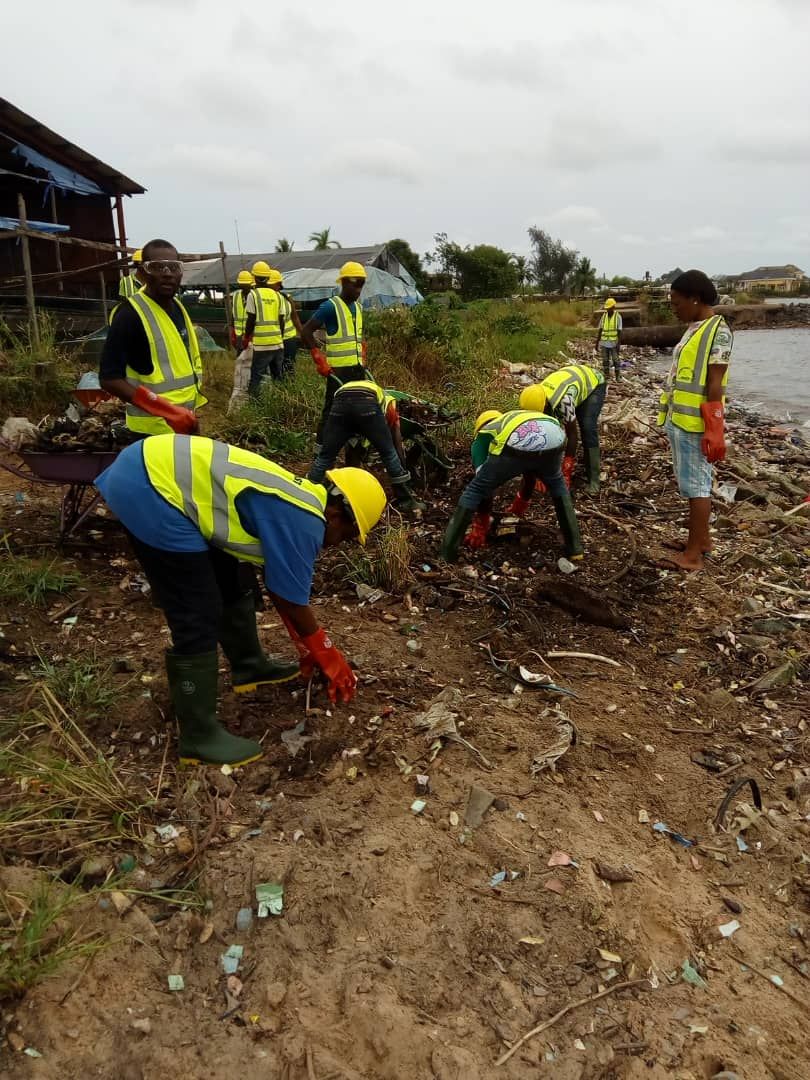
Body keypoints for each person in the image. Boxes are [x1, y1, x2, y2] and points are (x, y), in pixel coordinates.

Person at [95, 435, 387, 766]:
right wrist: (327, 652)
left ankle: (249, 667)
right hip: (151, 488)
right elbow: (292, 601)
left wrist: (306, 648)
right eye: (347, 536)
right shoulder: (305, 523)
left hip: (151, 468)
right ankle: (198, 737)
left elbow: (281, 588)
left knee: (230, 577)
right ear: (336, 514)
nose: (338, 545)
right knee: (196, 609)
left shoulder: (302, 500)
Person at [657, 269, 731, 571]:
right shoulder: (696, 327)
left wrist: (714, 429)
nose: (674, 308)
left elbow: (716, 382)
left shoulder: (719, 332)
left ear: (695, 298)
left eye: (677, 302)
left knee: (697, 486)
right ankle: (700, 541)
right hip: (681, 419)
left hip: (695, 424)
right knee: (690, 484)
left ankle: (693, 556)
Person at [439, 409, 583, 562]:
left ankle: (447, 553)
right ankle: (575, 548)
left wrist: (482, 521)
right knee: (557, 484)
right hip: (555, 436)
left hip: (519, 442)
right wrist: (520, 505)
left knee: (474, 489)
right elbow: (529, 471)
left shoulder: (483, 436)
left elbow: (483, 487)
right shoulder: (514, 418)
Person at [100, 238, 206, 437]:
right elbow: (109, 379)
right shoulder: (129, 315)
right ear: (141, 273)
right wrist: (167, 411)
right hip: (151, 431)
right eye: (157, 267)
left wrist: (187, 417)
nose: (167, 274)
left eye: (174, 267)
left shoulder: (178, 308)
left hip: (184, 422)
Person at [308, 378, 424, 511]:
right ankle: (406, 501)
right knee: (388, 454)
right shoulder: (388, 399)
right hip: (367, 405)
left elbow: (350, 434)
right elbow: (394, 433)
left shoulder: (346, 387)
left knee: (325, 457)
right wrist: (400, 461)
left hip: (339, 405)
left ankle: (308, 493)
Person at [299, 261, 367, 446]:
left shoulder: (358, 308)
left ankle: (353, 448)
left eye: (362, 284)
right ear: (344, 282)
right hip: (338, 371)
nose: (359, 289)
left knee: (357, 410)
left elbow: (356, 336)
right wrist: (317, 355)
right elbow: (306, 331)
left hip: (357, 369)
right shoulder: (330, 307)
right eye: (356, 284)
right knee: (331, 412)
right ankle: (320, 451)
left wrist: (362, 352)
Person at [518, 363, 607, 494]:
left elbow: (572, 435)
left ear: (545, 406)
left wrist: (566, 469)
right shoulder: (534, 397)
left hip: (594, 383)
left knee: (587, 427)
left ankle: (594, 479)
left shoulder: (563, 401)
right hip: (572, 381)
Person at [243, 261, 284, 392]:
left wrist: (246, 337)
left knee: (256, 377)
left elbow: (251, 319)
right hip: (277, 344)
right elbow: (281, 320)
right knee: (278, 377)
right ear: (268, 277)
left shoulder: (253, 295)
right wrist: (280, 337)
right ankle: (282, 402)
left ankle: (254, 405)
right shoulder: (277, 296)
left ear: (254, 277)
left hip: (262, 345)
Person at [271, 272, 303, 377]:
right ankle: (280, 390)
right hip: (274, 340)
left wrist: (303, 334)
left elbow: (295, 317)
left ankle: (289, 389)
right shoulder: (266, 300)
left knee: (288, 368)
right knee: (275, 369)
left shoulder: (287, 298)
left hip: (288, 339)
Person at [595, 298, 622, 380]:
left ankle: (617, 376)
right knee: (605, 359)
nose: (607, 309)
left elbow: (619, 331)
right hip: (604, 342)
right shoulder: (604, 316)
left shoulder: (618, 317)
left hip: (613, 342)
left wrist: (618, 344)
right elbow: (600, 329)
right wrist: (597, 343)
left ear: (613, 307)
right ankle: (606, 375)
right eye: (607, 308)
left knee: (615, 360)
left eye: (609, 308)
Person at [230, 269, 255, 350]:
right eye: (242, 285)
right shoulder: (235, 296)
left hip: (250, 333)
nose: (244, 287)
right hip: (238, 334)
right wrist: (232, 330)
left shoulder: (254, 295)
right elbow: (233, 314)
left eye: (246, 285)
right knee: (240, 357)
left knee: (251, 358)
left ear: (250, 284)